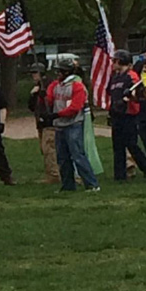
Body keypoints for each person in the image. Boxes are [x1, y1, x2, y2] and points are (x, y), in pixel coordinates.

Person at [42, 60, 100, 192]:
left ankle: (92, 184)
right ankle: (68, 186)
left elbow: (75, 108)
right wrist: (43, 96)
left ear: (67, 72)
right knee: (62, 158)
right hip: (60, 126)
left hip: (73, 124)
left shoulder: (77, 86)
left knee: (78, 155)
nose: (57, 74)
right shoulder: (56, 85)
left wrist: (56, 115)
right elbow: (50, 98)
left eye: (60, 71)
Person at [106, 49, 146, 181]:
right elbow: (111, 93)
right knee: (117, 146)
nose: (113, 63)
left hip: (129, 114)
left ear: (121, 61)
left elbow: (137, 92)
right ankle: (119, 176)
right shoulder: (114, 77)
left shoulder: (131, 76)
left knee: (131, 144)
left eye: (115, 60)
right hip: (116, 114)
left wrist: (128, 96)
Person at [27, 62, 59, 183]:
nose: (33, 76)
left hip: (49, 123)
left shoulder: (48, 85)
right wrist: (33, 94)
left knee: (50, 148)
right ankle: (50, 173)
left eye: (35, 73)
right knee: (44, 149)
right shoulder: (37, 87)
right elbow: (31, 106)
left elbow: (50, 103)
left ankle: (54, 175)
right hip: (40, 122)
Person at [133, 51, 146, 164]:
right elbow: (137, 98)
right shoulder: (141, 84)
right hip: (143, 116)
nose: (145, 70)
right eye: (143, 68)